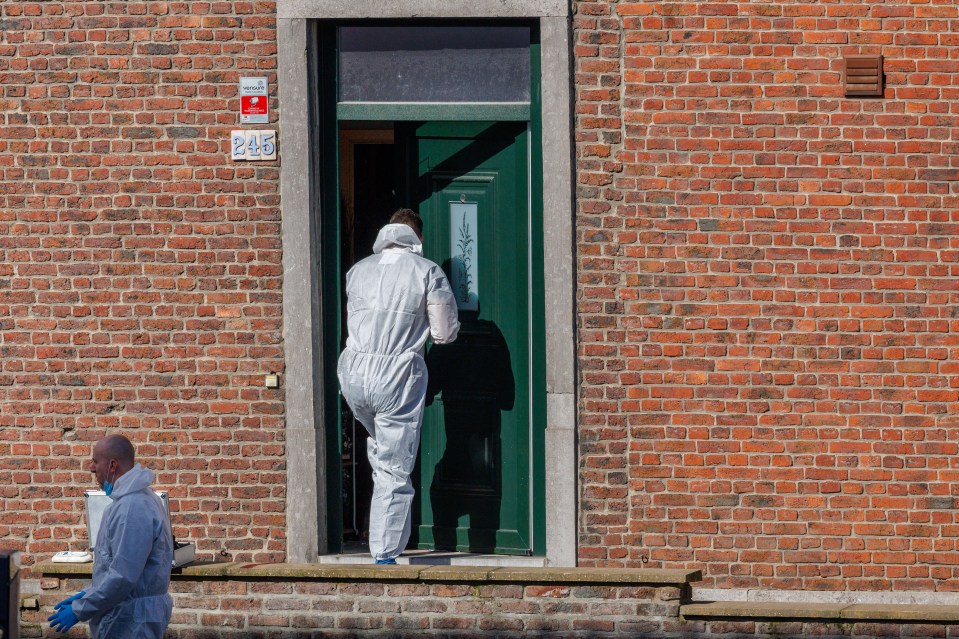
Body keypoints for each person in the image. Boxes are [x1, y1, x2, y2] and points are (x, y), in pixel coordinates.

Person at [337, 208, 460, 564]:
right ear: (417, 238)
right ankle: (385, 553)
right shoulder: (427, 271)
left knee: (380, 453)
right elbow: (443, 333)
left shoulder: (357, 270)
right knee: (394, 465)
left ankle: (381, 535)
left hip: (354, 374)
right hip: (396, 375)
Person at [49, 434, 174, 638]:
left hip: (131, 622)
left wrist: (81, 608)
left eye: (96, 461)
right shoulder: (132, 501)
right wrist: (89, 593)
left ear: (112, 465)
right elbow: (115, 567)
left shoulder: (132, 507)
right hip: (130, 616)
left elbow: (123, 576)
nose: (91, 467)